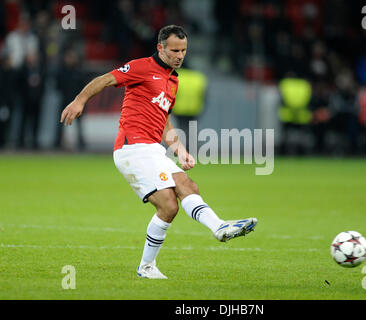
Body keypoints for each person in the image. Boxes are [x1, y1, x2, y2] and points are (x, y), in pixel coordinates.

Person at [60, 25, 258, 279]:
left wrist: (180, 149)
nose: (180, 55)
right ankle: (217, 226)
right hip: (132, 148)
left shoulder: (173, 80)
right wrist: (79, 101)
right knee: (173, 198)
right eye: (175, 50)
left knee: (176, 200)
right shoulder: (141, 67)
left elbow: (164, 121)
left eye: (184, 50)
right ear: (160, 48)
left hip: (153, 150)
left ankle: (148, 267)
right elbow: (106, 79)